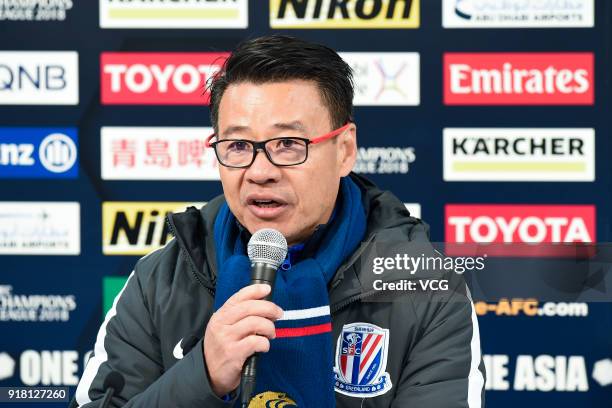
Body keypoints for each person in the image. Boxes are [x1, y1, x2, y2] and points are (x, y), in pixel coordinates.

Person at [74, 35, 486, 407]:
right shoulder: (159, 280)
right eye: (237, 145)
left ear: (345, 150)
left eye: (288, 144)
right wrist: (201, 377)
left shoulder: (426, 288)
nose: (259, 171)